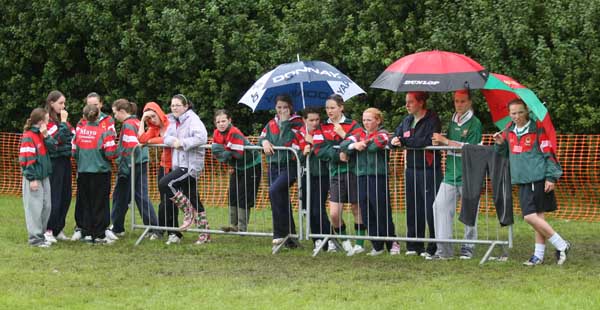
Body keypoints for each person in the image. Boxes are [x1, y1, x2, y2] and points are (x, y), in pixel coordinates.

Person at [493, 99, 570, 265]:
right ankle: (538, 256)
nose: (517, 116)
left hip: (538, 178)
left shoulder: (537, 129)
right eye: (513, 113)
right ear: (509, 114)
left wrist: (550, 177)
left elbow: (548, 152)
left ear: (526, 111)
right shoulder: (508, 131)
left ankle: (561, 244)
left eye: (520, 112)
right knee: (538, 218)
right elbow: (506, 154)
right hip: (521, 179)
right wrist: (500, 144)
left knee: (529, 217)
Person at [430, 89, 482, 260]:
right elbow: (451, 145)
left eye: (462, 101)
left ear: (470, 102)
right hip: (451, 174)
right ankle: (444, 249)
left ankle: (468, 246)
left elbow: (469, 149)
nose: (458, 104)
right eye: (456, 101)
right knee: (439, 207)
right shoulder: (452, 121)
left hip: (470, 174)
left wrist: (445, 141)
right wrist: (439, 142)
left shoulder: (475, 123)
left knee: (469, 213)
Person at [341, 108, 401, 256]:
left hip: (377, 176)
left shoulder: (383, 133)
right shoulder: (359, 134)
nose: (366, 123)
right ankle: (377, 245)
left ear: (378, 120)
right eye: (364, 120)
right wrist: (354, 145)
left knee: (381, 210)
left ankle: (392, 242)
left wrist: (362, 144)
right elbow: (344, 145)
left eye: (369, 120)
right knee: (367, 211)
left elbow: (376, 145)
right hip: (361, 175)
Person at [390, 91, 441, 257]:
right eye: (406, 102)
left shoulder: (432, 119)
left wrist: (404, 141)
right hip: (411, 168)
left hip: (428, 169)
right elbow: (396, 135)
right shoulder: (407, 120)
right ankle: (413, 245)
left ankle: (434, 246)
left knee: (430, 208)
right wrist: (394, 141)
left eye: (410, 102)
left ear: (420, 102)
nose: (407, 105)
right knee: (413, 207)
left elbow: (426, 140)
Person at [313, 94, 365, 256]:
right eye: (327, 108)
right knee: (335, 213)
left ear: (341, 108)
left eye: (333, 108)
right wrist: (339, 154)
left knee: (356, 208)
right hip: (335, 173)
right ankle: (344, 241)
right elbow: (319, 149)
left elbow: (359, 141)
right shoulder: (321, 127)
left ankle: (360, 243)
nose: (329, 111)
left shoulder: (353, 124)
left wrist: (343, 134)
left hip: (353, 171)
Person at [158, 94, 210, 245]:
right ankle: (205, 234)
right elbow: (166, 137)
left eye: (177, 105)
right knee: (194, 198)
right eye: (172, 105)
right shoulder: (173, 121)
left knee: (165, 183)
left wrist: (182, 143)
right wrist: (173, 141)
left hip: (190, 165)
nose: (174, 108)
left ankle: (188, 212)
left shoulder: (193, 120)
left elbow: (201, 137)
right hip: (179, 163)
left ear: (185, 106)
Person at [110, 99, 160, 239]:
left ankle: (117, 227)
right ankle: (154, 228)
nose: (115, 116)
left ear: (121, 111)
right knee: (141, 196)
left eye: (115, 113)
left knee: (120, 196)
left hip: (131, 164)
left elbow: (132, 146)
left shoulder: (127, 124)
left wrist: (123, 165)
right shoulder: (137, 122)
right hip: (142, 163)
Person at [259, 94, 304, 249]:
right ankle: (290, 238)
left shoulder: (297, 122)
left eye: (285, 107)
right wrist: (264, 141)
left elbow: (286, 141)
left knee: (274, 190)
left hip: (290, 165)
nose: (282, 110)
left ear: (291, 107)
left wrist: (285, 123)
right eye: (279, 107)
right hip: (273, 165)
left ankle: (279, 233)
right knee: (279, 198)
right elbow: (262, 136)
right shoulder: (271, 123)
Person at [72, 92, 117, 241]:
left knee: (85, 201)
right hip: (100, 171)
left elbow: (74, 151)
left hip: (83, 170)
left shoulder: (79, 131)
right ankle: (98, 234)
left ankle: (86, 231)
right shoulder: (104, 132)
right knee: (100, 202)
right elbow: (110, 153)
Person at [211, 109, 262, 232]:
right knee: (232, 195)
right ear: (215, 124)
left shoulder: (235, 132)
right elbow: (217, 153)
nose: (221, 124)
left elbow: (237, 154)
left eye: (223, 121)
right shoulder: (216, 133)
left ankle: (242, 227)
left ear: (229, 120)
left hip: (252, 165)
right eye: (218, 122)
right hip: (237, 167)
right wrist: (226, 152)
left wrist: (224, 153)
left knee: (243, 196)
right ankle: (233, 226)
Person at [19, 108, 57, 247]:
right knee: (34, 208)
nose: (49, 121)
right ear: (41, 121)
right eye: (47, 119)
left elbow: (54, 149)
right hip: (34, 177)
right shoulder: (29, 136)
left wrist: (46, 135)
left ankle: (41, 235)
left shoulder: (41, 134)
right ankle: (35, 239)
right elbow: (26, 158)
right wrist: (32, 178)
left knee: (46, 207)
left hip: (44, 176)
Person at [138, 101, 173, 240]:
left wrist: (151, 141)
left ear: (159, 112)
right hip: (164, 165)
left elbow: (167, 139)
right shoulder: (153, 127)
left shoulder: (171, 123)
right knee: (164, 199)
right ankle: (163, 230)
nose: (152, 120)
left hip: (177, 165)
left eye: (153, 116)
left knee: (185, 199)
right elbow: (141, 139)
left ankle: (200, 230)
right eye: (149, 118)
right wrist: (142, 120)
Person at [299, 108, 332, 253]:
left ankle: (329, 238)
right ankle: (316, 239)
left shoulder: (324, 131)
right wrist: (303, 152)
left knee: (318, 208)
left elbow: (328, 150)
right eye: (311, 120)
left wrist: (313, 142)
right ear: (304, 120)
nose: (314, 123)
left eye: (317, 120)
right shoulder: (300, 133)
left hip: (322, 174)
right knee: (308, 209)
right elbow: (295, 156)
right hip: (306, 174)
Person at [44, 90, 74, 243]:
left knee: (66, 195)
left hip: (65, 160)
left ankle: (58, 228)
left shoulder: (64, 122)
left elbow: (71, 137)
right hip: (54, 162)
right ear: (51, 103)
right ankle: (48, 229)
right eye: (61, 103)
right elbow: (58, 140)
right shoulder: (47, 120)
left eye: (64, 103)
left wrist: (64, 126)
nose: (64, 106)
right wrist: (63, 124)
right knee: (54, 196)